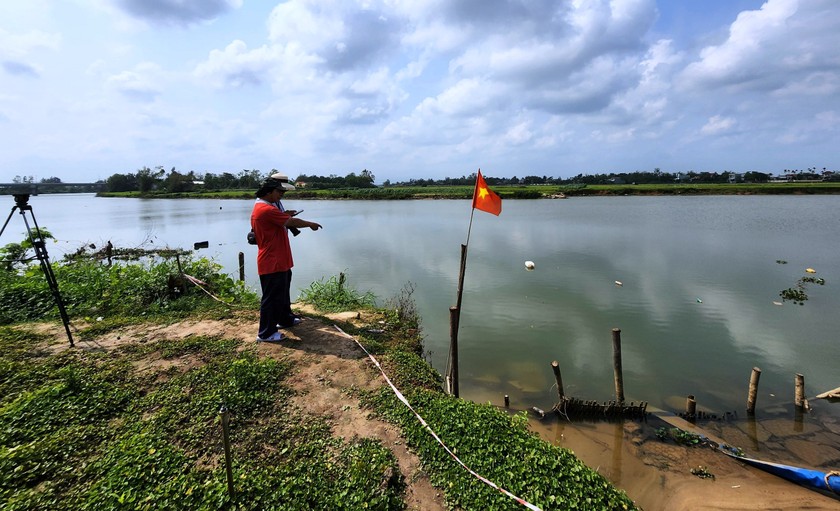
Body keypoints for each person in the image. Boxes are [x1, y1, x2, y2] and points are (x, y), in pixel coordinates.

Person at [251, 176, 321, 342]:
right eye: (279, 191)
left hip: (279, 258)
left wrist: (284, 215)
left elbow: (283, 219)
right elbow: (291, 221)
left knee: (281, 293)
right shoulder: (265, 209)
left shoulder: (268, 207)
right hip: (272, 260)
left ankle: (284, 319)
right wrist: (310, 224)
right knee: (271, 297)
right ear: (269, 192)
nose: (281, 194)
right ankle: (266, 333)